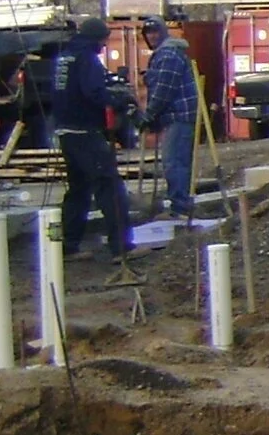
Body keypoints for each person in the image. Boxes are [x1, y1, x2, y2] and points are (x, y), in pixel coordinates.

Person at [53, 16, 132, 262]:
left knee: (78, 189)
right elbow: (93, 93)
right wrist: (118, 99)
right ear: (96, 38)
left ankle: (69, 245)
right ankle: (121, 246)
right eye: (103, 41)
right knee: (109, 186)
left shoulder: (65, 57)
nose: (104, 46)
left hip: (65, 131)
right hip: (85, 132)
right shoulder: (87, 59)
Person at [139, 16, 199, 219]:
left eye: (155, 32)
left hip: (179, 116)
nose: (152, 36)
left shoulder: (168, 55)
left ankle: (180, 208)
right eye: (148, 33)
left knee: (175, 162)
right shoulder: (163, 54)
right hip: (174, 116)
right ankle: (180, 206)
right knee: (176, 161)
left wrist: (148, 115)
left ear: (163, 32)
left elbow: (164, 89)